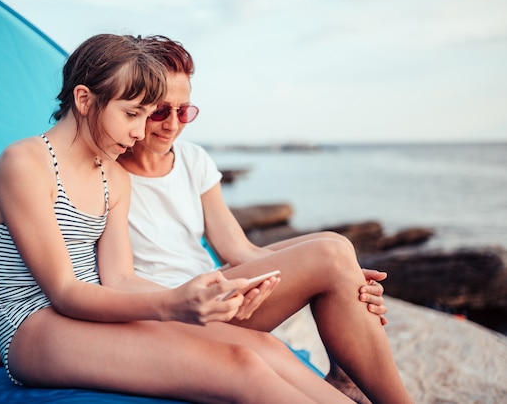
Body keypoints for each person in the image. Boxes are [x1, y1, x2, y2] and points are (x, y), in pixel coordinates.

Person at [0, 32, 369, 403]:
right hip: (34, 327)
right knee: (241, 368)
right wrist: (173, 305)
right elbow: (63, 292)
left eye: (146, 116)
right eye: (131, 114)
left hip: (94, 312)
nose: (138, 131)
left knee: (265, 348)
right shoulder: (25, 164)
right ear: (84, 99)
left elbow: (120, 279)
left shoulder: (111, 174)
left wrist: (210, 292)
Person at [115, 35, 413, 404]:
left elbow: (238, 248)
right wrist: (325, 267)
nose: (173, 125)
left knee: (338, 246)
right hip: (172, 310)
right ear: (138, 105)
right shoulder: (109, 173)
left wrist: (342, 273)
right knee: (330, 256)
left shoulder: (192, 159)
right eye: (160, 111)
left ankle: (345, 378)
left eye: (185, 111)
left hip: (214, 293)